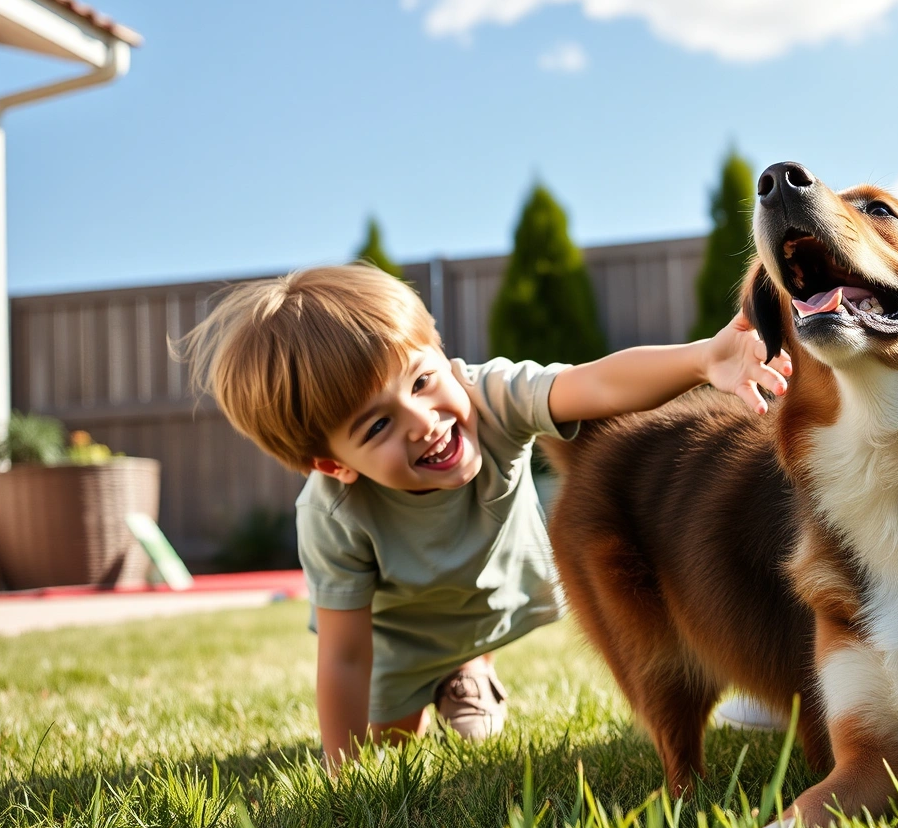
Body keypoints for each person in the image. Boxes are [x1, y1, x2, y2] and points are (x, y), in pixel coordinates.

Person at [178, 264, 790, 769]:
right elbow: (344, 654)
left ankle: (471, 667)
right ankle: (445, 675)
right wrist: (342, 768)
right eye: (378, 425)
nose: (422, 420)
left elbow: (595, 384)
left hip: (499, 596)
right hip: (406, 640)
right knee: (388, 753)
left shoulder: (488, 395)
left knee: (467, 704)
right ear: (333, 463)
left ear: (441, 352)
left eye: (421, 380)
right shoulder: (332, 512)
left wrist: (701, 359)